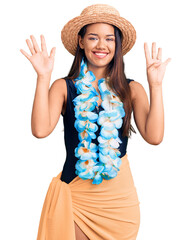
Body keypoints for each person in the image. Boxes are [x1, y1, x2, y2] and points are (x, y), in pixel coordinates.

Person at [20, 3, 171, 240]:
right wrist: (43, 77)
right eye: (93, 37)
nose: (101, 45)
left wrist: (156, 85)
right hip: (77, 198)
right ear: (81, 42)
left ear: (117, 45)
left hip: (118, 204)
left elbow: (154, 137)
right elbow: (40, 130)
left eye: (109, 39)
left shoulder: (132, 89)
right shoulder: (64, 87)